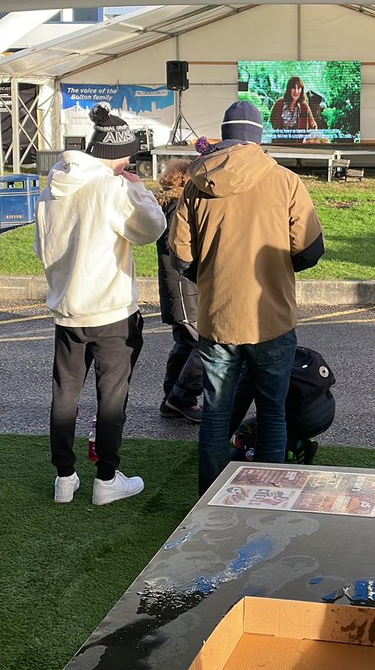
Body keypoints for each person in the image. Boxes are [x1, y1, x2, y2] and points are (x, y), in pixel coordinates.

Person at [169, 100, 325, 495]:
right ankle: (265, 499)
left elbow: (181, 255)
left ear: (224, 135)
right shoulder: (286, 181)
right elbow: (309, 250)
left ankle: (207, 501)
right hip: (271, 318)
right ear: (258, 138)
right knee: (273, 413)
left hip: (218, 318)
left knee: (216, 416)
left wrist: (212, 275)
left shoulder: (196, 185)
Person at [34, 104, 166, 505]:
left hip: (67, 308)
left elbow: (43, 246)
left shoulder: (53, 185)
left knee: (64, 394)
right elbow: (152, 228)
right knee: (111, 398)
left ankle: (64, 477)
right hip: (110, 311)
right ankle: (106, 479)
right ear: (122, 156)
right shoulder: (112, 188)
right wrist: (136, 187)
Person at [155, 158, 203, 423]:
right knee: (204, 344)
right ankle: (181, 398)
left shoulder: (166, 206)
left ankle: (171, 399)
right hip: (184, 287)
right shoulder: (177, 209)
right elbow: (181, 250)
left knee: (184, 344)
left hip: (178, 288)